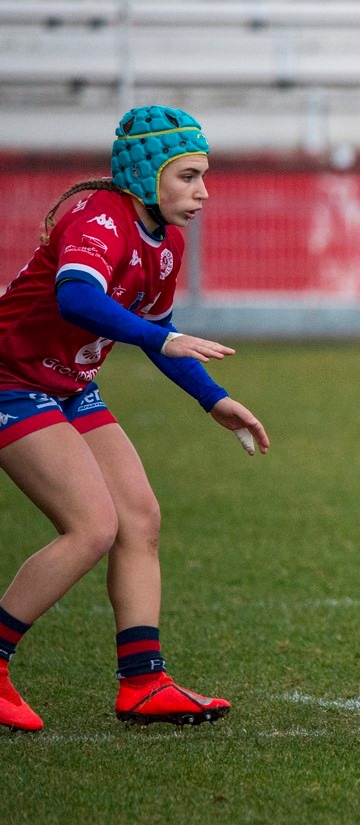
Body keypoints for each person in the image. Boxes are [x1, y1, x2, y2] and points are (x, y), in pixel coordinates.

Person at [0, 105, 270, 732]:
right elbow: (77, 296)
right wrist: (161, 339)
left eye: (204, 176)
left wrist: (213, 398)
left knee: (139, 518)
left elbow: (160, 333)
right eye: (188, 176)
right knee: (91, 527)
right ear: (146, 176)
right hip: (11, 380)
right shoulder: (98, 217)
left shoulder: (166, 243)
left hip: (67, 386)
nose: (203, 192)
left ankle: (145, 683)